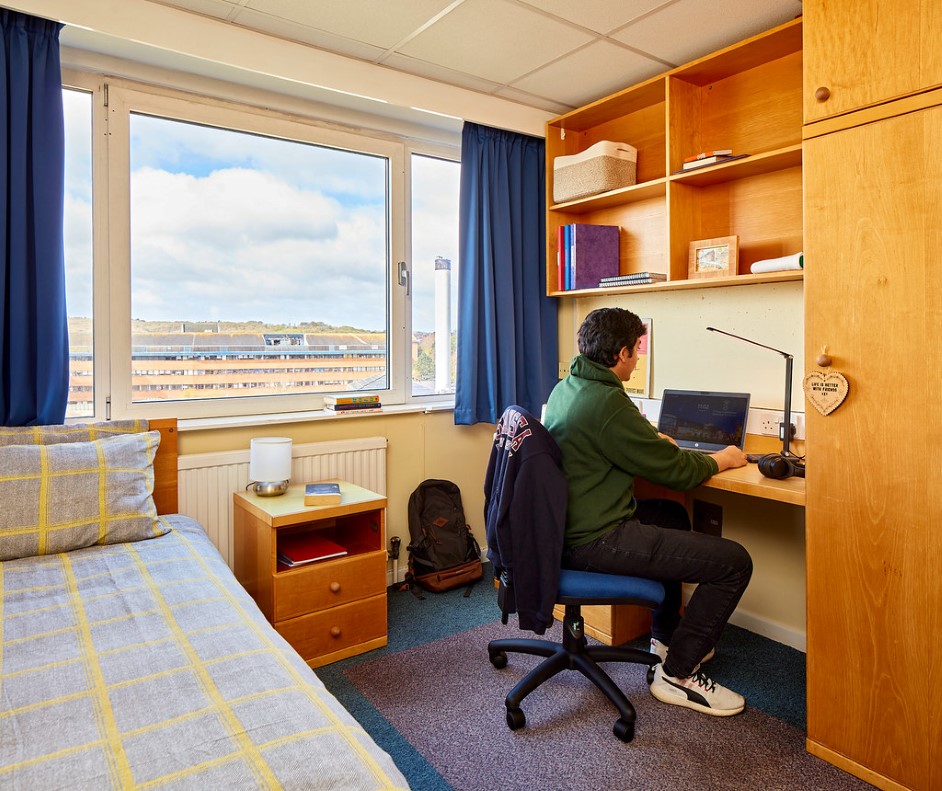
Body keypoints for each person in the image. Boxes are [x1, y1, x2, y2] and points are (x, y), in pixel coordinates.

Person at [542, 307, 753, 717]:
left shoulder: (569, 387)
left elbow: (612, 440)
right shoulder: (606, 403)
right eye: (636, 352)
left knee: (671, 516)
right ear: (622, 354)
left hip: (568, 526)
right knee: (734, 562)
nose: (637, 359)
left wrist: (648, 440)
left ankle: (666, 637)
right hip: (594, 539)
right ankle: (678, 675)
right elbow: (679, 472)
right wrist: (726, 456)